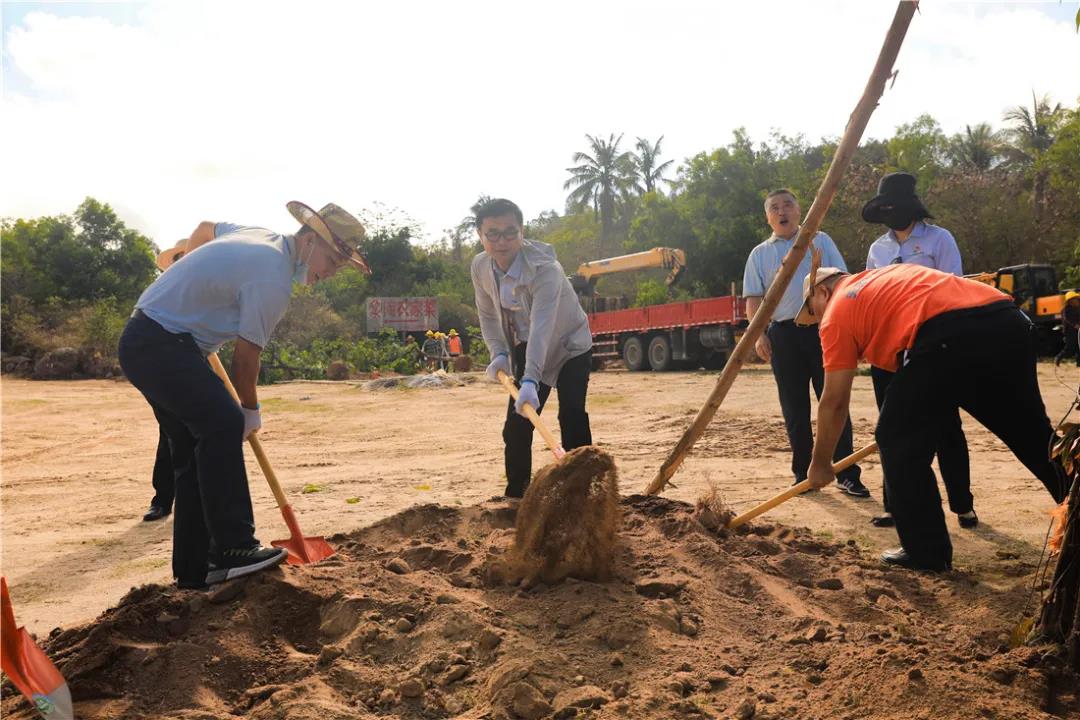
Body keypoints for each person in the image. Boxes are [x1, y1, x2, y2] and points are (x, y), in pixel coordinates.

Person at [119, 202, 370, 589]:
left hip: (148, 341)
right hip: (162, 345)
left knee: (189, 447)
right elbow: (247, 356)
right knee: (223, 422)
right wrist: (249, 411)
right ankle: (234, 548)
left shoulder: (257, 235)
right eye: (333, 259)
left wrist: (186, 264)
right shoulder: (273, 278)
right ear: (308, 239)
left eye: (340, 264)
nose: (332, 271)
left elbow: (204, 227)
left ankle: (195, 569)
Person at [796, 260, 1069, 571]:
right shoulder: (884, 280)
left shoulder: (837, 311)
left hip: (948, 335)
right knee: (1033, 437)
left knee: (895, 439)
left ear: (821, 292)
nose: (817, 323)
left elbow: (833, 402)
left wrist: (820, 464)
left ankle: (926, 552)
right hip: (1006, 320)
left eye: (812, 313)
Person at [862, 172, 976, 530]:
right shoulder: (878, 250)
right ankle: (896, 506)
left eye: (896, 206)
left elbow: (953, 289)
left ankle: (963, 505)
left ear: (911, 207)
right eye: (885, 208)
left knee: (946, 428)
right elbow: (869, 295)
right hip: (888, 349)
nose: (890, 212)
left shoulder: (939, 240)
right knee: (892, 430)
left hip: (932, 346)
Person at [742, 189, 869, 497]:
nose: (782, 211)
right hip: (782, 335)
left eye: (788, 205)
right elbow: (754, 299)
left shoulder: (820, 241)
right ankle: (802, 472)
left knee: (833, 400)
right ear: (768, 217)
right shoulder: (760, 253)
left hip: (823, 329)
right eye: (775, 207)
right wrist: (759, 335)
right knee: (794, 407)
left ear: (800, 212)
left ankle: (845, 472)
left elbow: (841, 281)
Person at [471, 198, 593, 498]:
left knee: (572, 416)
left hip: (569, 345)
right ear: (480, 235)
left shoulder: (545, 269)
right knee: (516, 424)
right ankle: (517, 495)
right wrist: (498, 352)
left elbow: (543, 326)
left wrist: (530, 379)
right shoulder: (480, 267)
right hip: (527, 347)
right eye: (493, 234)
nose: (502, 241)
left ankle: (581, 494)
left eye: (510, 232)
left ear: (522, 232)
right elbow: (487, 314)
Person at [142, 230, 220, 522]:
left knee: (194, 434)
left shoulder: (204, 290)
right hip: (163, 368)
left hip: (197, 364)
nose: (180, 262)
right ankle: (163, 499)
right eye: (176, 258)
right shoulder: (161, 291)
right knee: (173, 432)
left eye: (184, 257)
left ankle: (196, 502)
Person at [1056, 291, 1080, 367]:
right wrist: (1075, 325)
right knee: (1070, 347)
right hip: (1070, 331)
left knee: (1079, 346)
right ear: (1070, 301)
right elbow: (1068, 319)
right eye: (1074, 299)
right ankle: (1059, 357)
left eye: (1076, 299)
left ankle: (1079, 363)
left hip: (1078, 330)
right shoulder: (1066, 309)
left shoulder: (1078, 307)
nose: (1076, 300)